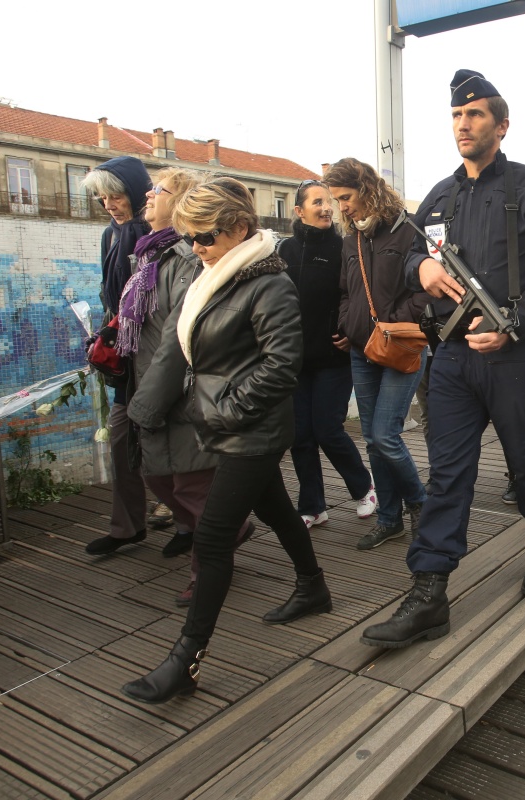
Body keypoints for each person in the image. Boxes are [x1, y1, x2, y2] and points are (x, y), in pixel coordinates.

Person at [358, 69, 525, 650]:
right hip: (452, 358)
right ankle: (429, 592)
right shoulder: (439, 196)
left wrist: (516, 324)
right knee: (448, 472)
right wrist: (420, 270)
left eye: (476, 114)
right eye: (458, 115)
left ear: (501, 126)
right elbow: (406, 257)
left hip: (513, 356)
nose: (464, 123)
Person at [125, 177, 332, 703]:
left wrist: (226, 413)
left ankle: (185, 663)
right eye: (189, 237)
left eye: (204, 237)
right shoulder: (216, 274)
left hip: (251, 430)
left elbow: (283, 367)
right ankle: (313, 587)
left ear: (239, 228)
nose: (195, 247)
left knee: (214, 539)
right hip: (228, 425)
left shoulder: (268, 284)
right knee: (277, 509)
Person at [120, 167, 253, 606]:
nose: (147, 195)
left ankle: (208, 570)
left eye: (157, 190)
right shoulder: (147, 255)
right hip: (151, 382)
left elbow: (180, 337)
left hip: (183, 389)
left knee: (193, 487)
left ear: (179, 200)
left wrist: (148, 401)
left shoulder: (187, 259)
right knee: (162, 479)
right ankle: (227, 534)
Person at [323, 158, 429, 550]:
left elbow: (427, 288)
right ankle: (389, 517)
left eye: (346, 197)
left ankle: (420, 502)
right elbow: (346, 290)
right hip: (362, 349)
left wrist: (396, 321)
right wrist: (349, 326)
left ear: (367, 189)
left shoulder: (408, 229)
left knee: (386, 435)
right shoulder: (351, 238)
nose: (342, 207)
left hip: (402, 343)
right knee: (371, 439)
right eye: (337, 200)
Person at [278, 178, 378, 532]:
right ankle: (313, 506)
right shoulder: (283, 252)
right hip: (294, 360)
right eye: (317, 202)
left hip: (334, 357)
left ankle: (364, 487)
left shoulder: (344, 247)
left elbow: (360, 294)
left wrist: (350, 333)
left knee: (326, 428)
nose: (325, 208)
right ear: (298, 210)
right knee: (300, 435)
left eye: (328, 202)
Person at [82, 156, 152, 555]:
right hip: (123, 355)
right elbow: (111, 295)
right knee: (122, 436)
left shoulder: (156, 235)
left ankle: (191, 524)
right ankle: (127, 527)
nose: (109, 202)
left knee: (163, 442)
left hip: (154, 354)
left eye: (116, 193)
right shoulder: (111, 235)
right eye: (102, 196)